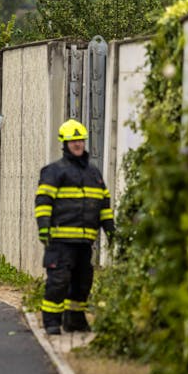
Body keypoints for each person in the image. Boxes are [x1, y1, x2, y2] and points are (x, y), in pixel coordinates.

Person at [36, 119, 115, 335]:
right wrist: (43, 227)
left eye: (80, 140)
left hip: (85, 241)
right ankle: (52, 322)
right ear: (65, 143)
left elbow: (104, 206)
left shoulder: (94, 173)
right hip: (60, 240)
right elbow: (43, 202)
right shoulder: (53, 171)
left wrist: (111, 230)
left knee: (82, 283)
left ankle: (75, 321)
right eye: (73, 141)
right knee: (58, 282)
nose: (78, 144)